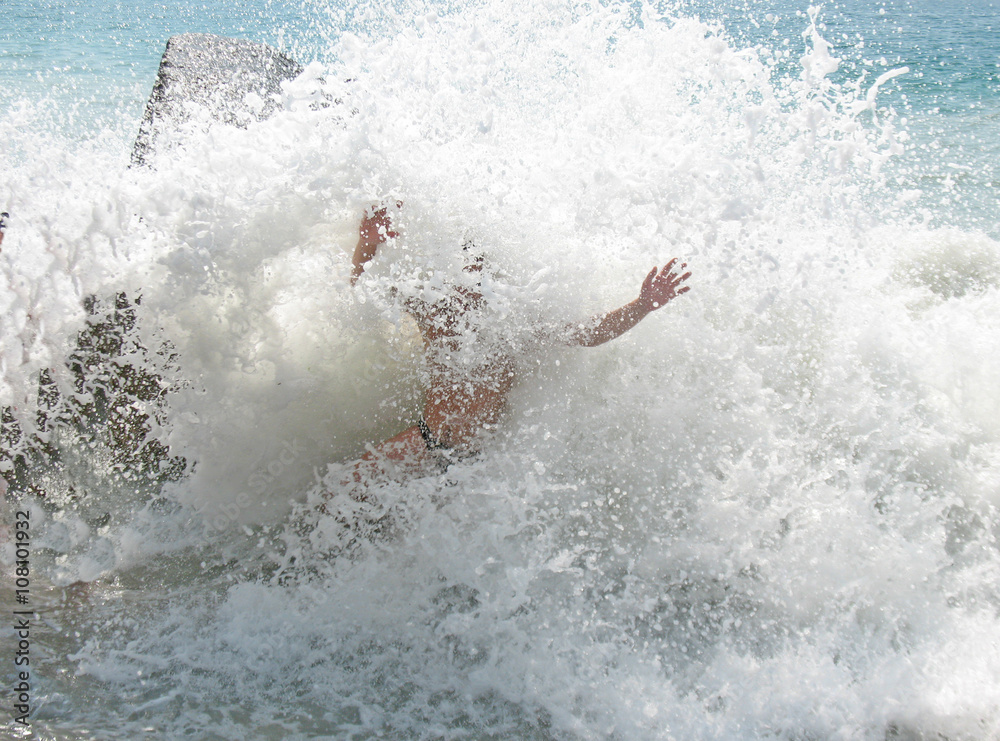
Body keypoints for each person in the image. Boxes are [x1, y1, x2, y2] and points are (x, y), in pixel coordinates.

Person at [344, 203, 691, 482]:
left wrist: (642, 305)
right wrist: (368, 243)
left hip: (480, 463)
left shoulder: (509, 320)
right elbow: (361, 295)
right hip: (428, 439)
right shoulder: (435, 307)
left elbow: (588, 334)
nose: (472, 276)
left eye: (479, 268)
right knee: (347, 485)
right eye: (466, 266)